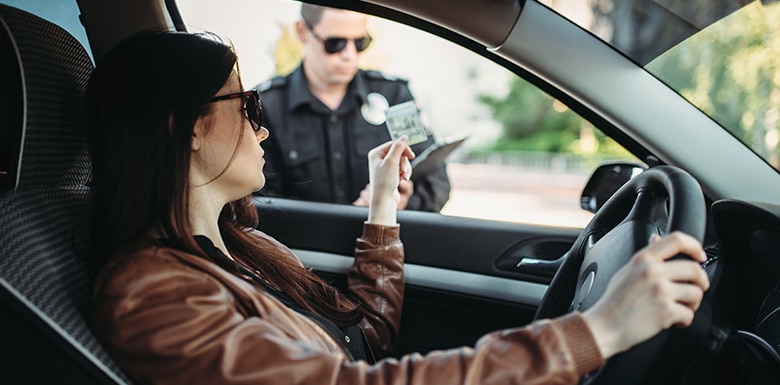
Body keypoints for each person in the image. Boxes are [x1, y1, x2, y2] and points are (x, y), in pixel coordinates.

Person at [85, 31, 710, 385]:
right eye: (244, 106)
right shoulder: (153, 295)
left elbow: (363, 340)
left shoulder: (246, 248)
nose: (262, 128)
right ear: (184, 126)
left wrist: (383, 203)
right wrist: (596, 331)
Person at [255, 4, 450, 212]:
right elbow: (260, 202)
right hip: (302, 244)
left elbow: (436, 181)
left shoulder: (394, 97)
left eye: (360, 42)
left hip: (385, 240)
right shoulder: (267, 106)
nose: (349, 54)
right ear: (303, 31)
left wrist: (401, 203)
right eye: (335, 43)